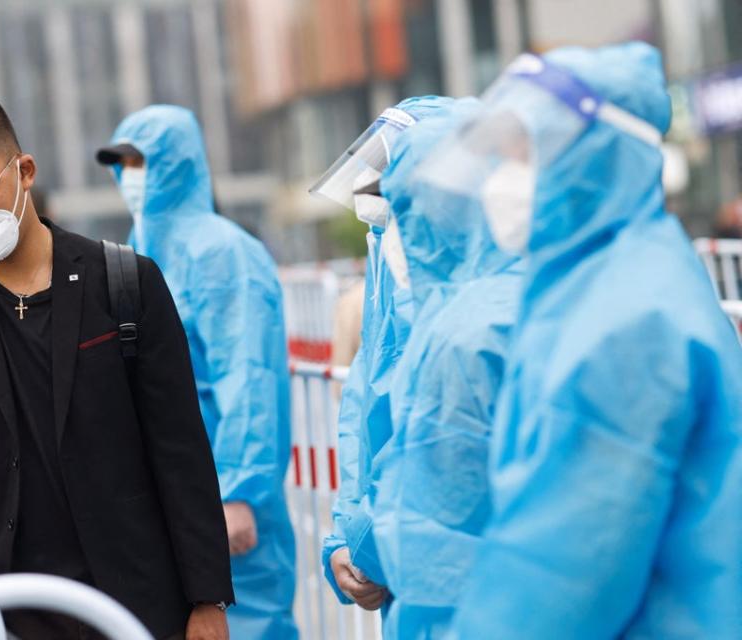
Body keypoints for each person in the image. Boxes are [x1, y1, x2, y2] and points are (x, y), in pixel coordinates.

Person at [418, 44, 742, 638]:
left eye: (526, 156)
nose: (502, 182)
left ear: (601, 156)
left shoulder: (628, 316)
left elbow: (563, 571)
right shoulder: (607, 278)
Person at [0, 89, 233, 640]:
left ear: (23, 171)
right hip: (2, 601)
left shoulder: (124, 283)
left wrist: (207, 597)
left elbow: (180, 448)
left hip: (137, 594)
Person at [98, 105, 297, 640]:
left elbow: (250, 378)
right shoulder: (133, 255)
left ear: (178, 163)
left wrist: (240, 494)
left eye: (141, 161)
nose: (130, 176)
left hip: (223, 494)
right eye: (122, 164)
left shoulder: (225, 253)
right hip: (162, 495)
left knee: (249, 622)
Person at [369, 98, 523, 638]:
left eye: (404, 208)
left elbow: (435, 516)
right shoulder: (480, 310)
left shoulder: (468, 331)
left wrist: (361, 544)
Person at [310, 97, 446, 617]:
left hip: (446, 574)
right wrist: (346, 536)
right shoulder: (389, 269)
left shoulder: (481, 309)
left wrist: (365, 542)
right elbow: (364, 417)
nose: (372, 188)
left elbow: (436, 443)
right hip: (395, 568)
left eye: (392, 171)